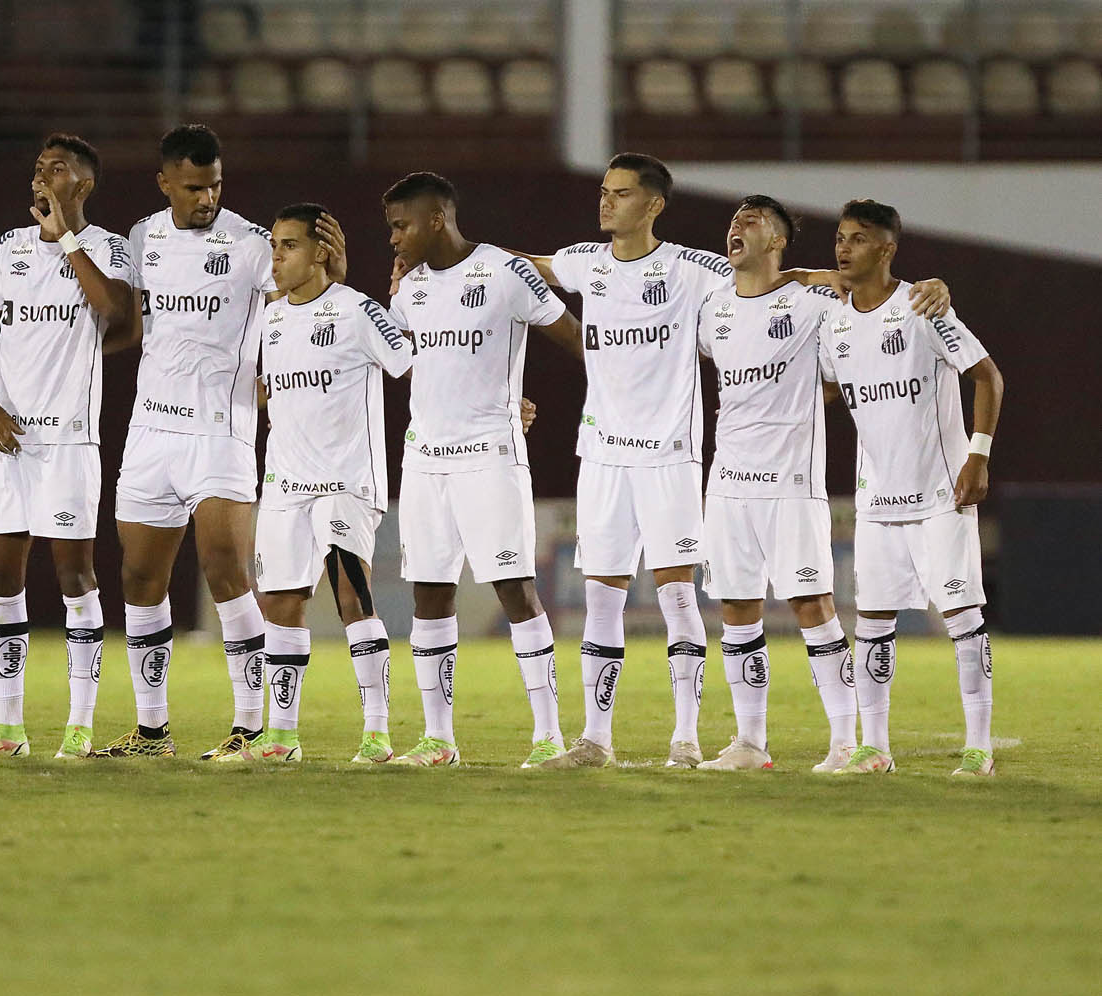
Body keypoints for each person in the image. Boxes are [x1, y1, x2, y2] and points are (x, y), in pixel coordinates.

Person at [511, 153, 950, 770]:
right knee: (704, 607)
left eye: (621, 192)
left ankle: (803, 742)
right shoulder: (701, 306)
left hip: (721, 468)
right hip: (678, 472)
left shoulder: (717, 279)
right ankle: (653, 740)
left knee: (796, 605)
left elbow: (843, 294)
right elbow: (522, 269)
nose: (606, 201)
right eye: (603, 191)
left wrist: (922, 286)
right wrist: (440, 268)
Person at [99, 125, 349, 760]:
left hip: (221, 431)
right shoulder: (141, 236)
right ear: (165, 185)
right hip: (151, 428)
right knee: (138, 577)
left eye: (214, 185)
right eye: (192, 188)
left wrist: (335, 273)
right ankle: (152, 730)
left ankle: (251, 725)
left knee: (226, 571)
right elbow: (133, 324)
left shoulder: (250, 245)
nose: (206, 198)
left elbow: (305, 300)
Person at [383, 171, 585, 768]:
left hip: (488, 456)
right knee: (429, 595)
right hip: (423, 459)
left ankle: (547, 735)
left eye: (401, 226)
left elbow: (575, 338)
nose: (393, 238)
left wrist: (511, 401)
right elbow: (412, 364)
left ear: (437, 219)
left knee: (516, 590)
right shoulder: (409, 289)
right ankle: (438, 739)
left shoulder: (505, 271)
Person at [0, 133, 136, 758]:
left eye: (56, 170)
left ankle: (80, 724)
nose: (40, 177)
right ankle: (7, 726)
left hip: (67, 443)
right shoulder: (8, 248)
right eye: (38, 168)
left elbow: (115, 312)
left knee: (75, 578)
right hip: (6, 442)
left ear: (82, 186)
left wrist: (65, 237)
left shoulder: (109, 248)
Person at [818, 200, 1004, 778]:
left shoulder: (924, 305)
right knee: (872, 622)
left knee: (963, 620)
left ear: (887, 248)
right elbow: (827, 392)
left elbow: (987, 377)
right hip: (876, 500)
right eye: (841, 237)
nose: (844, 248)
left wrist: (978, 455)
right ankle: (874, 748)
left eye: (859, 239)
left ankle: (979, 747)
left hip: (940, 494)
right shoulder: (836, 323)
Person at [225, 203, 413, 764]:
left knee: (352, 598)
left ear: (321, 253)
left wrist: (503, 406)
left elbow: (412, 361)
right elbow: (272, 387)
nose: (275, 257)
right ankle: (281, 738)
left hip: (345, 481)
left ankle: (377, 735)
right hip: (284, 482)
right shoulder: (270, 318)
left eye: (288, 246)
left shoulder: (357, 311)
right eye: (274, 245)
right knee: (279, 604)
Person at [693, 195, 856, 772]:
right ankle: (749, 743)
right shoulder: (713, 308)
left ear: (779, 240)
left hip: (790, 483)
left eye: (751, 221)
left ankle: (845, 742)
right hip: (728, 482)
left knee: (812, 603)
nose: (736, 227)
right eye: (733, 219)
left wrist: (801, 406)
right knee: (737, 606)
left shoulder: (815, 303)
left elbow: (849, 369)